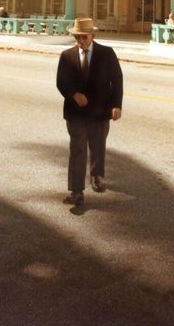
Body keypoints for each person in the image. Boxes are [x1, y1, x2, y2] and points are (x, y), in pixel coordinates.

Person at [56, 17, 123, 207]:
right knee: (77, 150)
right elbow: (61, 81)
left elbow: (117, 80)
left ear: (92, 36)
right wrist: (73, 94)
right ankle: (76, 191)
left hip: (100, 111)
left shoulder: (107, 54)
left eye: (84, 37)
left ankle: (96, 176)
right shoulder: (66, 55)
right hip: (75, 113)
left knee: (98, 146)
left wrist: (116, 105)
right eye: (78, 37)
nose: (81, 41)